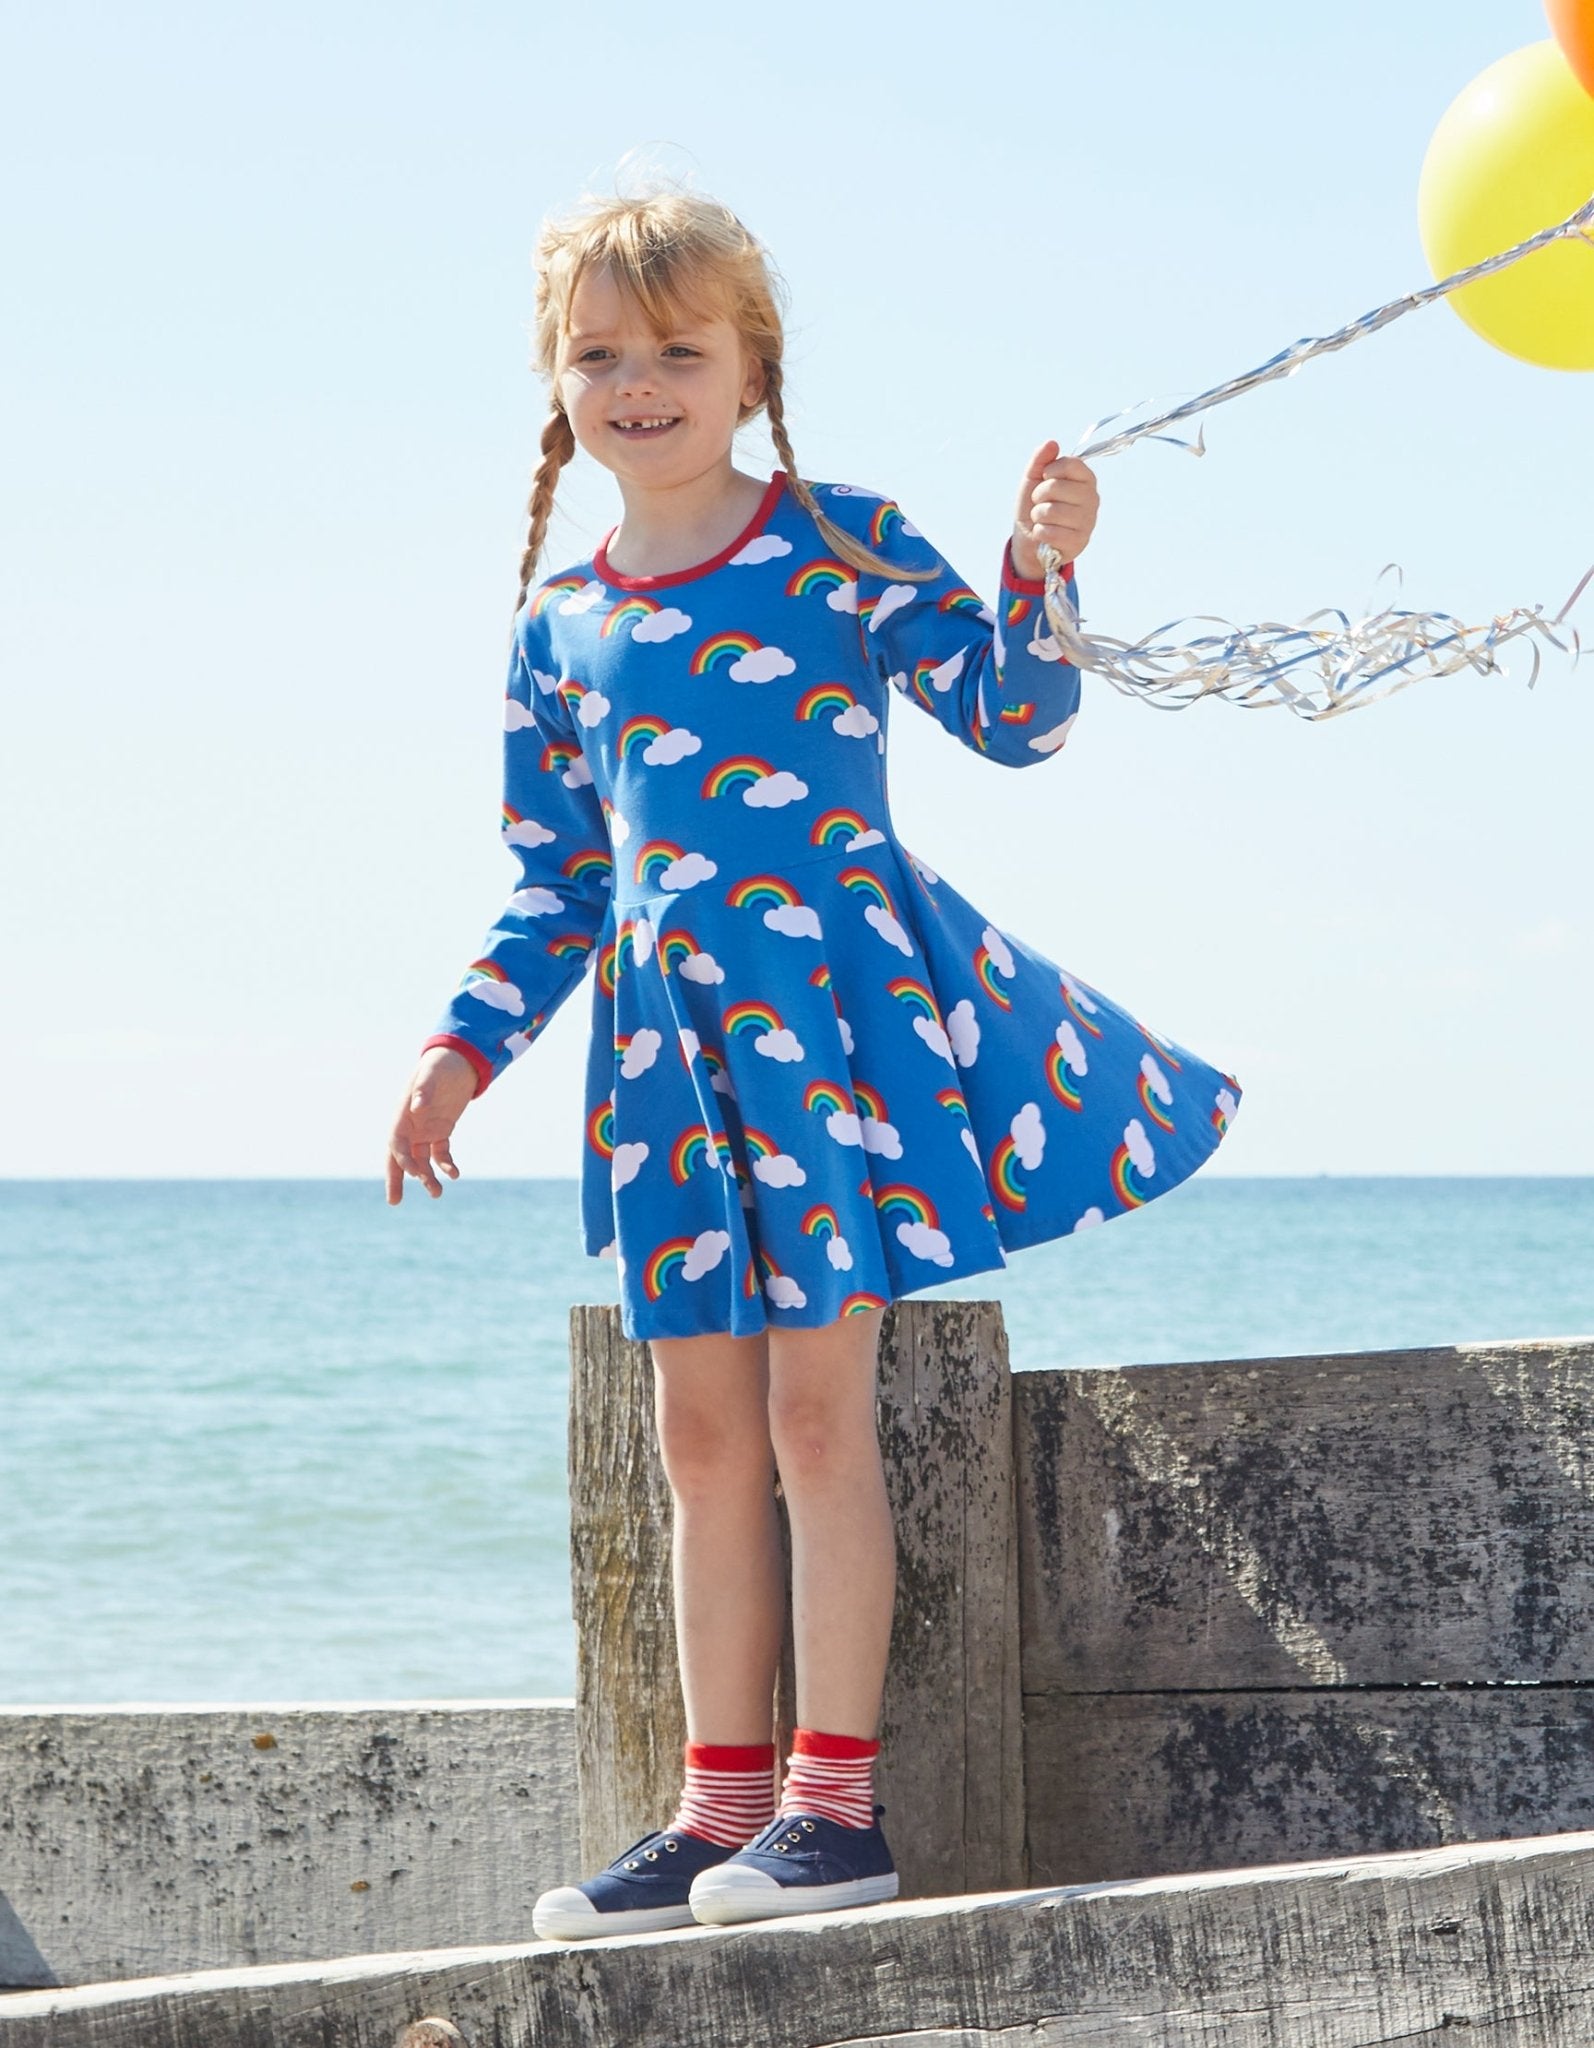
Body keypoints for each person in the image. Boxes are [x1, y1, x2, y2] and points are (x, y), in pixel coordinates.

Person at [385, 182, 1242, 1939]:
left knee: (808, 1417)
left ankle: (831, 1815)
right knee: (697, 1441)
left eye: (676, 349)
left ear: (749, 366)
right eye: (600, 353)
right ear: (558, 385)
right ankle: (712, 1817)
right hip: (670, 1072)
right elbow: (558, 885)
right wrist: (458, 1051)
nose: (639, 382)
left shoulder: (836, 539)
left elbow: (1016, 716)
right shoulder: (559, 623)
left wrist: (1044, 564)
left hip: (831, 1047)